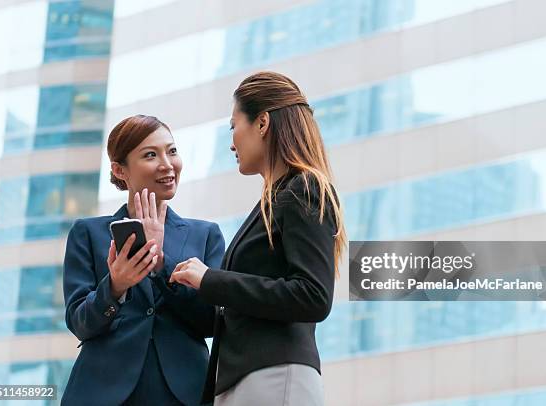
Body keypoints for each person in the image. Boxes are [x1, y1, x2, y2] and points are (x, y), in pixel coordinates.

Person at [169, 71, 347, 406]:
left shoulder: (303, 188)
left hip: (274, 376)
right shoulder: (273, 201)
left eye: (233, 125)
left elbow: (313, 295)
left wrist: (211, 279)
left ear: (262, 123)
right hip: (249, 378)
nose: (231, 141)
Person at [62, 115, 225, 406]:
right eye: (151, 155)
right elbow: (79, 323)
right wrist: (114, 287)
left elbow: (212, 323)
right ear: (119, 169)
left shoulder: (206, 235)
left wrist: (161, 265)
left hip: (185, 392)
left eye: (172, 151)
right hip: (102, 391)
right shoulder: (88, 233)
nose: (167, 164)